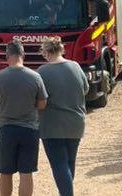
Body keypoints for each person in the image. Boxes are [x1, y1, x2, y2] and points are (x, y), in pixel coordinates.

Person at [0, 40, 48, 196]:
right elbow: (42, 105)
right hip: (29, 129)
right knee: (26, 172)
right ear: (23, 55)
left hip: (7, 129)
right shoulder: (35, 77)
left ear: (7, 56)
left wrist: (4, 103)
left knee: (5, 171)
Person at [38, 37, 89, 196]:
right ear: (61, 49)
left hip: (52, 125)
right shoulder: (75, 66)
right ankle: (65, 192)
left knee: (59, 164)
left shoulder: (43, 71)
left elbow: (39, 98)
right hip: (75, 122)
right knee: (69, 162)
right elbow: (85, 89)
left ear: (46, 52)